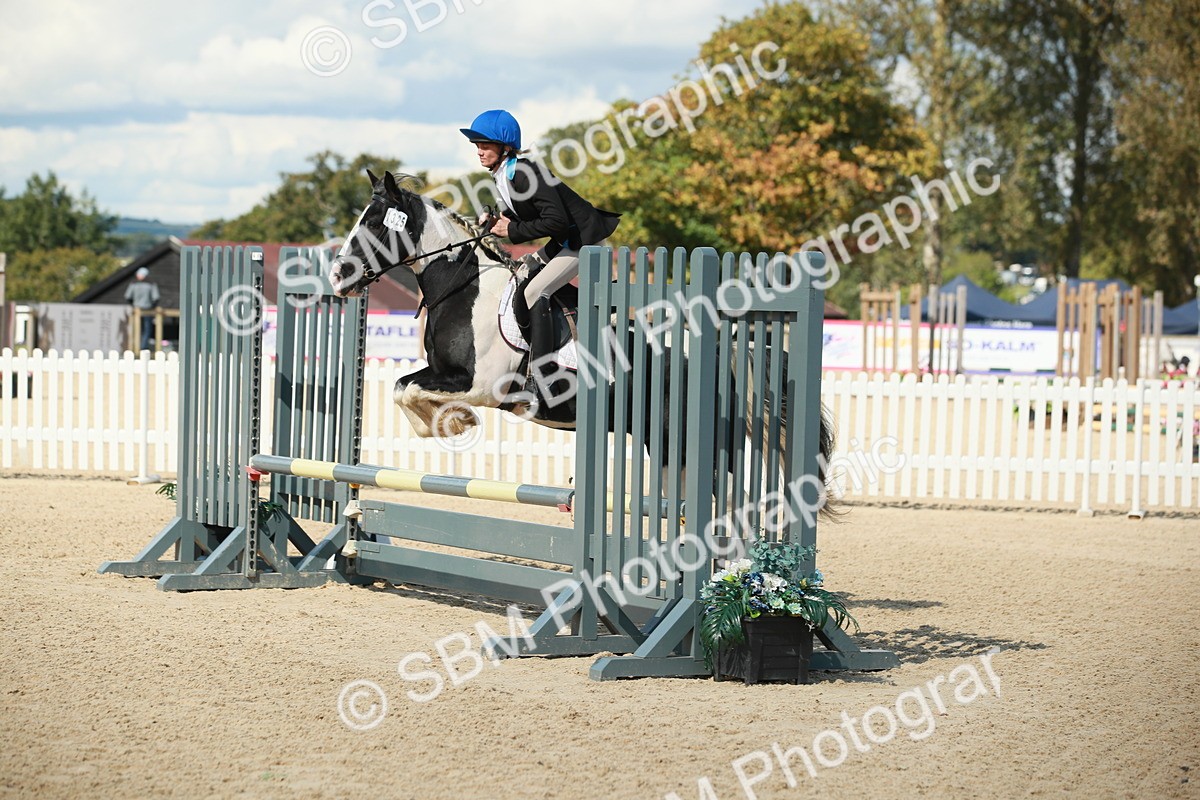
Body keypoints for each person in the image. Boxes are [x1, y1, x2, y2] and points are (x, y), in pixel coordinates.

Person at [460, 109, 620, 398]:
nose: (479, 151)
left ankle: (543, 375)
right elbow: (527, 213)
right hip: (564, 241)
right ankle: (572, 325)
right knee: (521, 272)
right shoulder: (505, 174)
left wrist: (511, 231)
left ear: (505, 146)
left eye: (485, 144)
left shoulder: (523, 172)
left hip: (582, 241)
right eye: (477, 145)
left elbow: (555, 220)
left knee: (534, 292)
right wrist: (497, 220)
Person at [124, 267, 160, 351]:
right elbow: (156, 298)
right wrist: (152, 307)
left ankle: (134, 347)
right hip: (148, 310)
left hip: (136, 310)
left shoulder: (133, 284)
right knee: (147, 330)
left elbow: (128, 297)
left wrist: (133, 305)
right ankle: (143, 347)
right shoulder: (151, 284)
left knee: (136, 329)